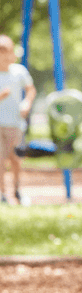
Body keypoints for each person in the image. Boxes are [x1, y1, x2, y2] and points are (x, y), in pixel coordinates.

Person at [0, 34, 36, 204]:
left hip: (15, 123)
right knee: (0, 160)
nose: (4, 55)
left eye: (7, 50)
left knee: (15, 159)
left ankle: (17, 190)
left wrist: (27, 103)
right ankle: (2, 195)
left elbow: (30, 90)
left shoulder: (19, 72)